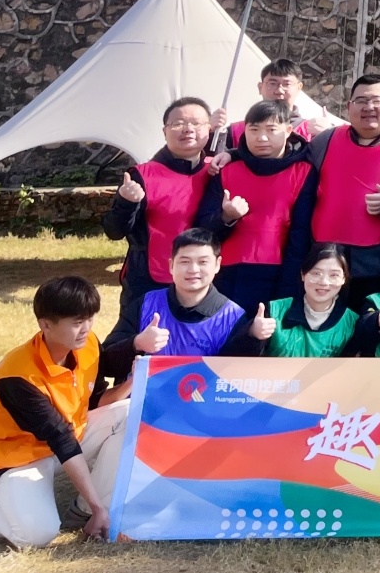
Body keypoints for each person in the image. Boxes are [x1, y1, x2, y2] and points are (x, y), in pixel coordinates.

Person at [0, 276, 129, 547]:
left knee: (129, 413)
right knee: (37, 536)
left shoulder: (87, 344)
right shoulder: (16, 375)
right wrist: (99, 508)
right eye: (77, 322)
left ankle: (84, 510)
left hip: (66, 440)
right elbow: (60, 438)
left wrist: (132, 380)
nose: (86, 328)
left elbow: (94, 400)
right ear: (45, 325)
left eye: (89, 318)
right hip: (18, 458)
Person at [300, 74, 380, 306]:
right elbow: (291, 169)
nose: (368, 107)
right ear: (348, 107)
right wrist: (233, 154)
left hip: (377, 266)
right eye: (361, 101)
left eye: (377, 101)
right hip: (323, 261)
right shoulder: (326, 140)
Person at [103, 97, 226, 342]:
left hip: (205, 279)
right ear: (164, 131)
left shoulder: (219, 170)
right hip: (149, 280)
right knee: (138, 346)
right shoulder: (142, 174)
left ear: (209, 129)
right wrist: (126, 202)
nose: (188, 129)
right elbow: (114, 231)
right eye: (178, 123)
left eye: (196, 123)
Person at [100, 230, 254, 398]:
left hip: (201, 409)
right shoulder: (145, 304)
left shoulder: (233, 317)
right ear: (171, 265)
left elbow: (238, 383)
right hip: (142, 407)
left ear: (217, 265)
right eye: (184, 261)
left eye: (203, 262)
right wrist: (136, 344)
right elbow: (105, 365)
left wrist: (254, 337)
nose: (193, 269)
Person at [214, 100, 315, 311]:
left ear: (288, 131)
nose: (262, 138)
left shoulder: (303, 172)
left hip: (279, 272)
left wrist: (288, 286)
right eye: (254, 130)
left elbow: (301, 235)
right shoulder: (225, 169)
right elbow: (203, 227)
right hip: (225, 273)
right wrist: (226, 217)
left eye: (271, 129)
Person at [249, 243, 359, 357]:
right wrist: (253, 332)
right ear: (303, 274)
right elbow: (242, 354)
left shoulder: (352, 323)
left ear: (344, 279)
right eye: (316, 273)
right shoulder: (274, 312)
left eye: (334, 275)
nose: (324, 282)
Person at [225, 59, 339, 144]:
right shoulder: (236, 131)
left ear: (299, 88)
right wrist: (215, 131)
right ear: (260, 87)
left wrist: (329, 136)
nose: (279, 90)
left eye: (287, 84)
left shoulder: (314, 130)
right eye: (272, 83)